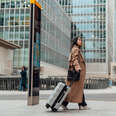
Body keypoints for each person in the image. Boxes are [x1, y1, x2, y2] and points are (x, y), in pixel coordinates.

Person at [62, 36, 88, 110]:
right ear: (75, 41)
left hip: (77, 73)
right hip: (76, 73)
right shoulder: (75, 49)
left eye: (81, 40)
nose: (81, 41)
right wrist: (78, 68)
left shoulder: (76, 49)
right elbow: (74, 59)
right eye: (79, 40)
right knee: (72, 89)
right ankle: (65, 103)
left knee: (77, 89)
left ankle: (82, 104)